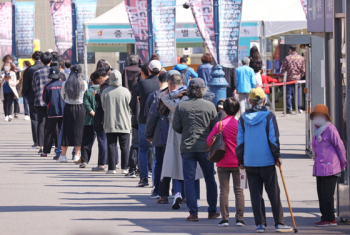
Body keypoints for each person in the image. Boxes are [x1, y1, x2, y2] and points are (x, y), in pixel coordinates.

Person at [236, 88, 293, 233]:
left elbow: (240, 141)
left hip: (250, 160)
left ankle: (260, 224)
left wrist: (240, 159)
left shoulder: (243, 118)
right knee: (273, 193)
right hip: (266, 160)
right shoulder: (269, 116)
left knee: (256, 194)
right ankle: (279, 222)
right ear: (264, 100)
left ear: (249, 101)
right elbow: (273, 139)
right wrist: (277, 156)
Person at [173, 78, 219, 222]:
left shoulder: (181, 106)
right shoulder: (210, 106)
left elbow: (176, 127)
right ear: (203, 90)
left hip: (187, 147)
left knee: (189, 180)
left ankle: (193, 213)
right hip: (206, 147)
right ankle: (212, 210)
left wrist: (186, 131)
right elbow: (215, 128)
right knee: (210, 178)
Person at [159, 73, 202, 208]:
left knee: (176, 165)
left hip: (176, 134)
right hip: (193, 133)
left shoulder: (176, 103)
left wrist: (174, 95)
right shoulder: (193, 99)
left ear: (170, 84)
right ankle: (195, 197)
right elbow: (209, 96)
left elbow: (163, 97)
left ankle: (177, 193)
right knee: (193, 167)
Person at [207, 98, 244, 227]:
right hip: (239, 162)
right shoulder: (240, 124)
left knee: (224, 191)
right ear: (237, 110)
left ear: (224, 110)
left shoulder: (220, 125)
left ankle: (225, 219)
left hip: (222, 162)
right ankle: (239, 219)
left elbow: (209, 141)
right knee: (239, 190)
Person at [310, 104, 347, 227]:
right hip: (320, 168)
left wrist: (343, 163)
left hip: (331, 168)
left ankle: (330, 219)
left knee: (327, 195)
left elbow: (340, 146)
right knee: (321, 194)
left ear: (325, 117)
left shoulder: (330, 129)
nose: (317, 118)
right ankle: (324, 217)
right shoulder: (317, 130)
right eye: (316, 115)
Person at [101, 69, 131, 174]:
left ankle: (112, 168)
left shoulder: (105, 91)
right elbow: (130, 107)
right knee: (125, 147)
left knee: (111, 145)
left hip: (110, 121)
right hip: (124, 122)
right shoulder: (126, 91)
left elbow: (103, 106)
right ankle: (125, 167)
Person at [56, 64, 87, 163]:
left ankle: (63, 156)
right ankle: (76, 156)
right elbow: (86, 96)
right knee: (79, 132)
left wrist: (69, 101)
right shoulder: (84, 83)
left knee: (66, 131)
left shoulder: (65, 83)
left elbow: (63, 96)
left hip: (68, 107)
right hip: (81, 108)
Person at [145, 71, 169, 198]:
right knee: (173, 163)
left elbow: (151, 117)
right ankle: (177, 192)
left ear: (158, 81)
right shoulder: (179, 95)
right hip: (173, 136)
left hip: (159, 134)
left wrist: (148, 134)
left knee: (158, 162)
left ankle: (158, 190)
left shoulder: (155, 96)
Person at [137, 61, 161, 187]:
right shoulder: (162, 84)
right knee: (157, 150)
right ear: (160, 71)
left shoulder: (141, 83)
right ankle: (156, 180)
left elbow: (134, 98)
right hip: (159, 120)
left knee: (143, 149)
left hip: (143, 119)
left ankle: (144, 178)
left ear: (149, 71)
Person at [80, 71, 105, 169]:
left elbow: (86, 105)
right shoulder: (103, 91)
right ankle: (102, 162)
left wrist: (93, 114)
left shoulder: (88, 92)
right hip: (102, 120)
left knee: (86, 141)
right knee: (102, 141)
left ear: (92, 81)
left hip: (89, 120)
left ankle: (84, 161)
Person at [41, 66, 65, 157]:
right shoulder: (64, 84)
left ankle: (45, 151)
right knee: (61, 131)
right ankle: (59, 151)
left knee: (49, 131)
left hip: (52, 112)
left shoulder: (47, 86)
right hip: (63, 111)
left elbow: (45, 99)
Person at [32, 52, 53, 155]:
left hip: (39, 100)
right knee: (52, 124)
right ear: (51, 61)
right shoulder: (53, 72)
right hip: (51, 101)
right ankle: (53, 145)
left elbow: (34, 87)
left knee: (41, 123)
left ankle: (41, 146)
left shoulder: (37, 72)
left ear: (41, 61)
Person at [22, 51, 43, 148]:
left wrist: (25, 94)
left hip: (32, 96)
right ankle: (47, 141)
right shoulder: (46, 68)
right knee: (45, 119)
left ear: (33, 59)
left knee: (34, 119)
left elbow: (25, 85)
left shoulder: (29, 69)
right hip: (45, 97)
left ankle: (37, 141)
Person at [279, 44, 305, 114]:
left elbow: (283, 68)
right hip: (298, 79)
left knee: (288, 94)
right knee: (298, 94)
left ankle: (289, 109)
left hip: (289, 79)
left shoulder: (287, 58)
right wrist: (300, 76)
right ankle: (298, 108)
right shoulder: (301, 58)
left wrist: (281, 76)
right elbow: (303, 70)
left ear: (290, 49)